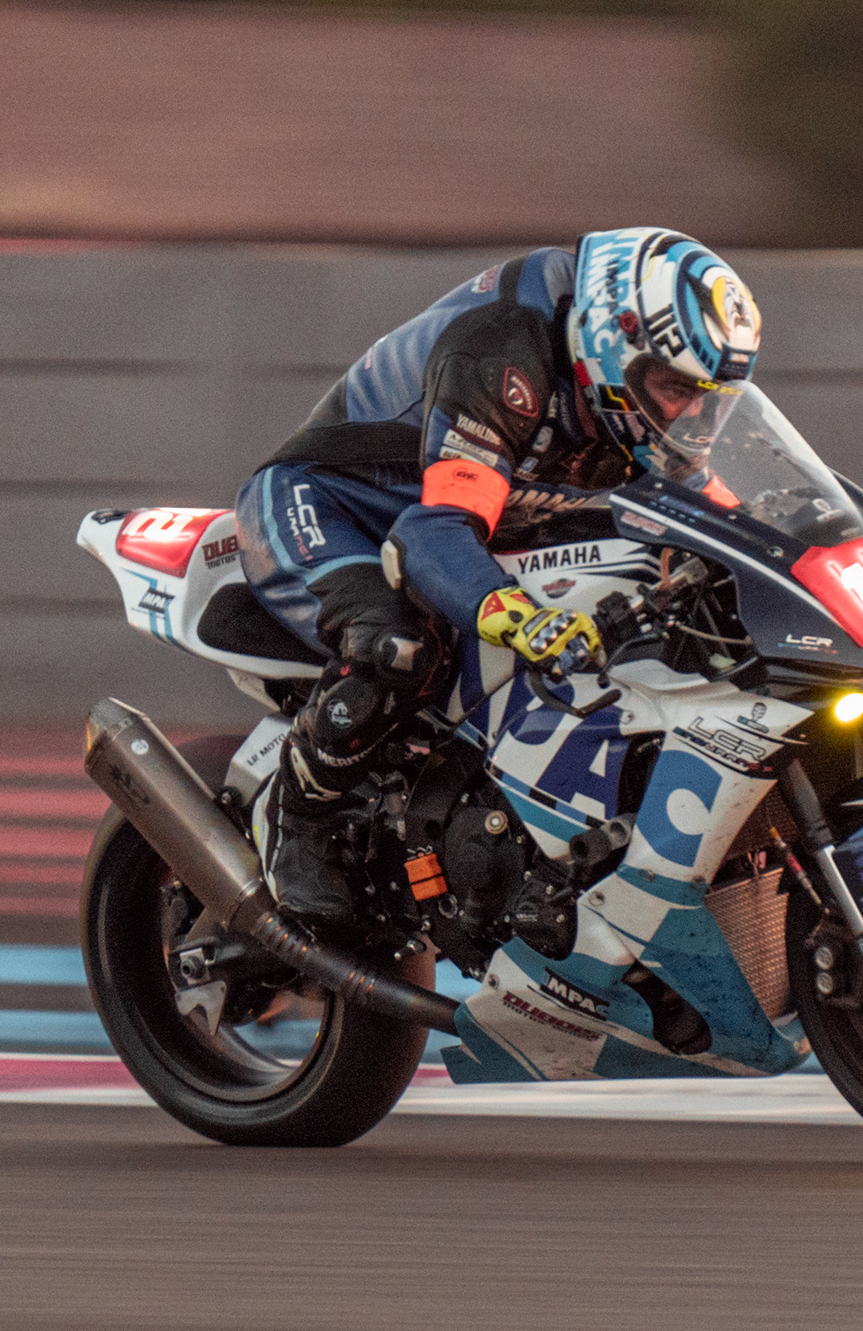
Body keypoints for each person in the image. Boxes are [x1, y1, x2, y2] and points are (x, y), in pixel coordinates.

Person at [234, 226, 763, 921]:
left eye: (710, 398)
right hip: (330, 505)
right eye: (675, 389)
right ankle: (298, 823)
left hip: (470, 517)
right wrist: (522, 619)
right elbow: (433, 534)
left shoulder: (638, 405)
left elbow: (720, 518)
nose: (692, 415)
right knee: (400, 645)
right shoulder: (504, 356)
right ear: (613, 345)